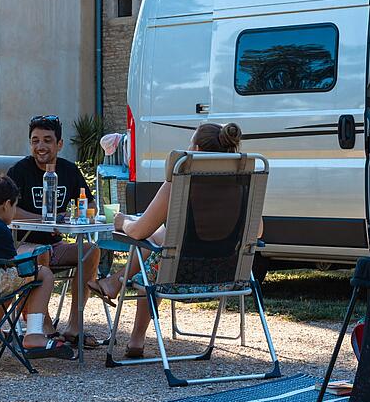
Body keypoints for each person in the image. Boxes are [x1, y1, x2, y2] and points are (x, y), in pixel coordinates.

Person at [95, 122, 261, 358]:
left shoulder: (179, 184)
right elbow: (258, 232)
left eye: (190, 143)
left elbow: (138, 232)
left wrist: (122, 222)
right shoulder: (244, 186)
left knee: (149, 256)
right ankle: (114, 283)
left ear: (199, 151)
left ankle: (135, 339)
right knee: (159, 239)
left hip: (178, 279)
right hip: (228, 278)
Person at [8, 115, 108, 348]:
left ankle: (75, 326)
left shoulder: (68, 170)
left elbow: (90, 205)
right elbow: (7, 210)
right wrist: (42, 219)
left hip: (56, 245)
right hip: (21, 245)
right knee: (40, 253)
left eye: (47, 140)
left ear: (59, 144)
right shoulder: (19, 171)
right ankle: (44, 325)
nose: (40, 146)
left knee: (91, 251)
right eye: (35, 141)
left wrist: (74, 216)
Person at [0, 173, 74, 360]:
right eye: (15, 205)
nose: (14, 210)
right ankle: (34, 334)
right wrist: (38, 261)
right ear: (6, 205)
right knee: (43, 274)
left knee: (8, 279)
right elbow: (15, 266)